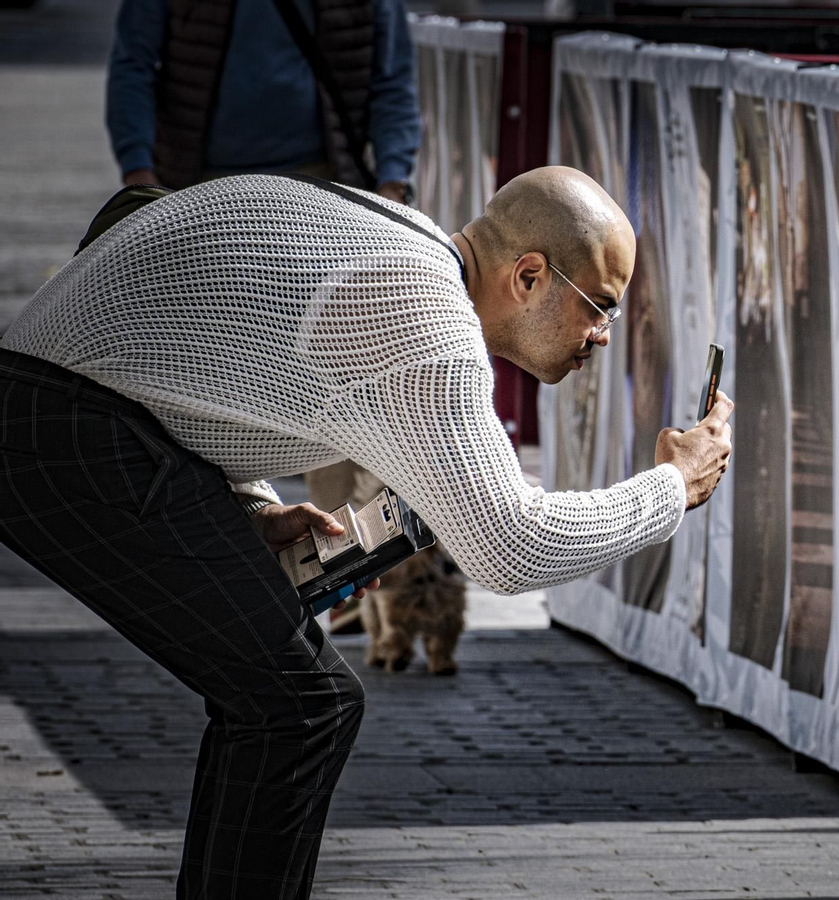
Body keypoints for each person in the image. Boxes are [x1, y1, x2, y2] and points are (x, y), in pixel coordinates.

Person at [0, 166, 733, 898]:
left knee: (299, 702)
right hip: (60, 426)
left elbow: (194, 349)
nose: (603, 335)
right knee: (299, 706)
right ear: (530, 275)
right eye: (598, 306)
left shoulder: (408, 245)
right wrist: (672, 486)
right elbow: (512, 544)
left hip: (61, 409)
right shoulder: (430, 322)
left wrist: (249, 508)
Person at [106, 0, 419, 204]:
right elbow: (133, 66)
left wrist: (393, 180)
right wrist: (138, 171)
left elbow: (391, 79)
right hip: (197, 185)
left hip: (324, 183)